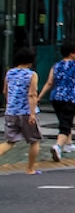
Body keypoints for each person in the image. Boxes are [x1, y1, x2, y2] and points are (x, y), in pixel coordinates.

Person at [0, 46, 43, 174]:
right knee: (34, 141)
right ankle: (30, 169)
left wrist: (11, 104)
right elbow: (32, 94)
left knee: (9, 142)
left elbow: (5, 91)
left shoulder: (9, 73)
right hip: (26, 112)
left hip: (11, 112)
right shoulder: (32, 75)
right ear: (31, 61)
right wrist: (32, 113)